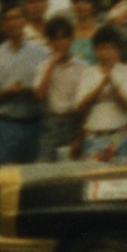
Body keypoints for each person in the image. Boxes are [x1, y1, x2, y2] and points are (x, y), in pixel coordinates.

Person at [0, 4, 50, 174]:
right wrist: (4, 93)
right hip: (6, 124)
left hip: (35, 122)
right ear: (2, 24)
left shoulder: (42, 53)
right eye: (8, 19)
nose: (13, 23)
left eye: (17, 18)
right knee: (6, 178)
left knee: (35, 178)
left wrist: (33, 91)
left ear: (24, 21)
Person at [75, 25, 127, 163]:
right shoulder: (87, 73)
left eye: (111, 48)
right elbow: (79, 107)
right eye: (102, 48)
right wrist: (100, 86)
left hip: (119, 133)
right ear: (95, 51)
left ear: (118, 49)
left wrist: (112, 84)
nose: (106, 53)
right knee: (95, 180)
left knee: (120, 178)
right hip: (94, 133)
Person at [35, 17, 88, 163]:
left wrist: (80, 136)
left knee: (74, 171)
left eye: (64, 38)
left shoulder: (82, 66)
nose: (60, 43)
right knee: (45, 168)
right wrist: (52, 65)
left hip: (74, 122)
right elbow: (40, 95)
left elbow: (86, 104)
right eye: (55, 40)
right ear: (50, 42)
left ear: (71, 39)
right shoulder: (43, 65)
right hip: (51, 123)